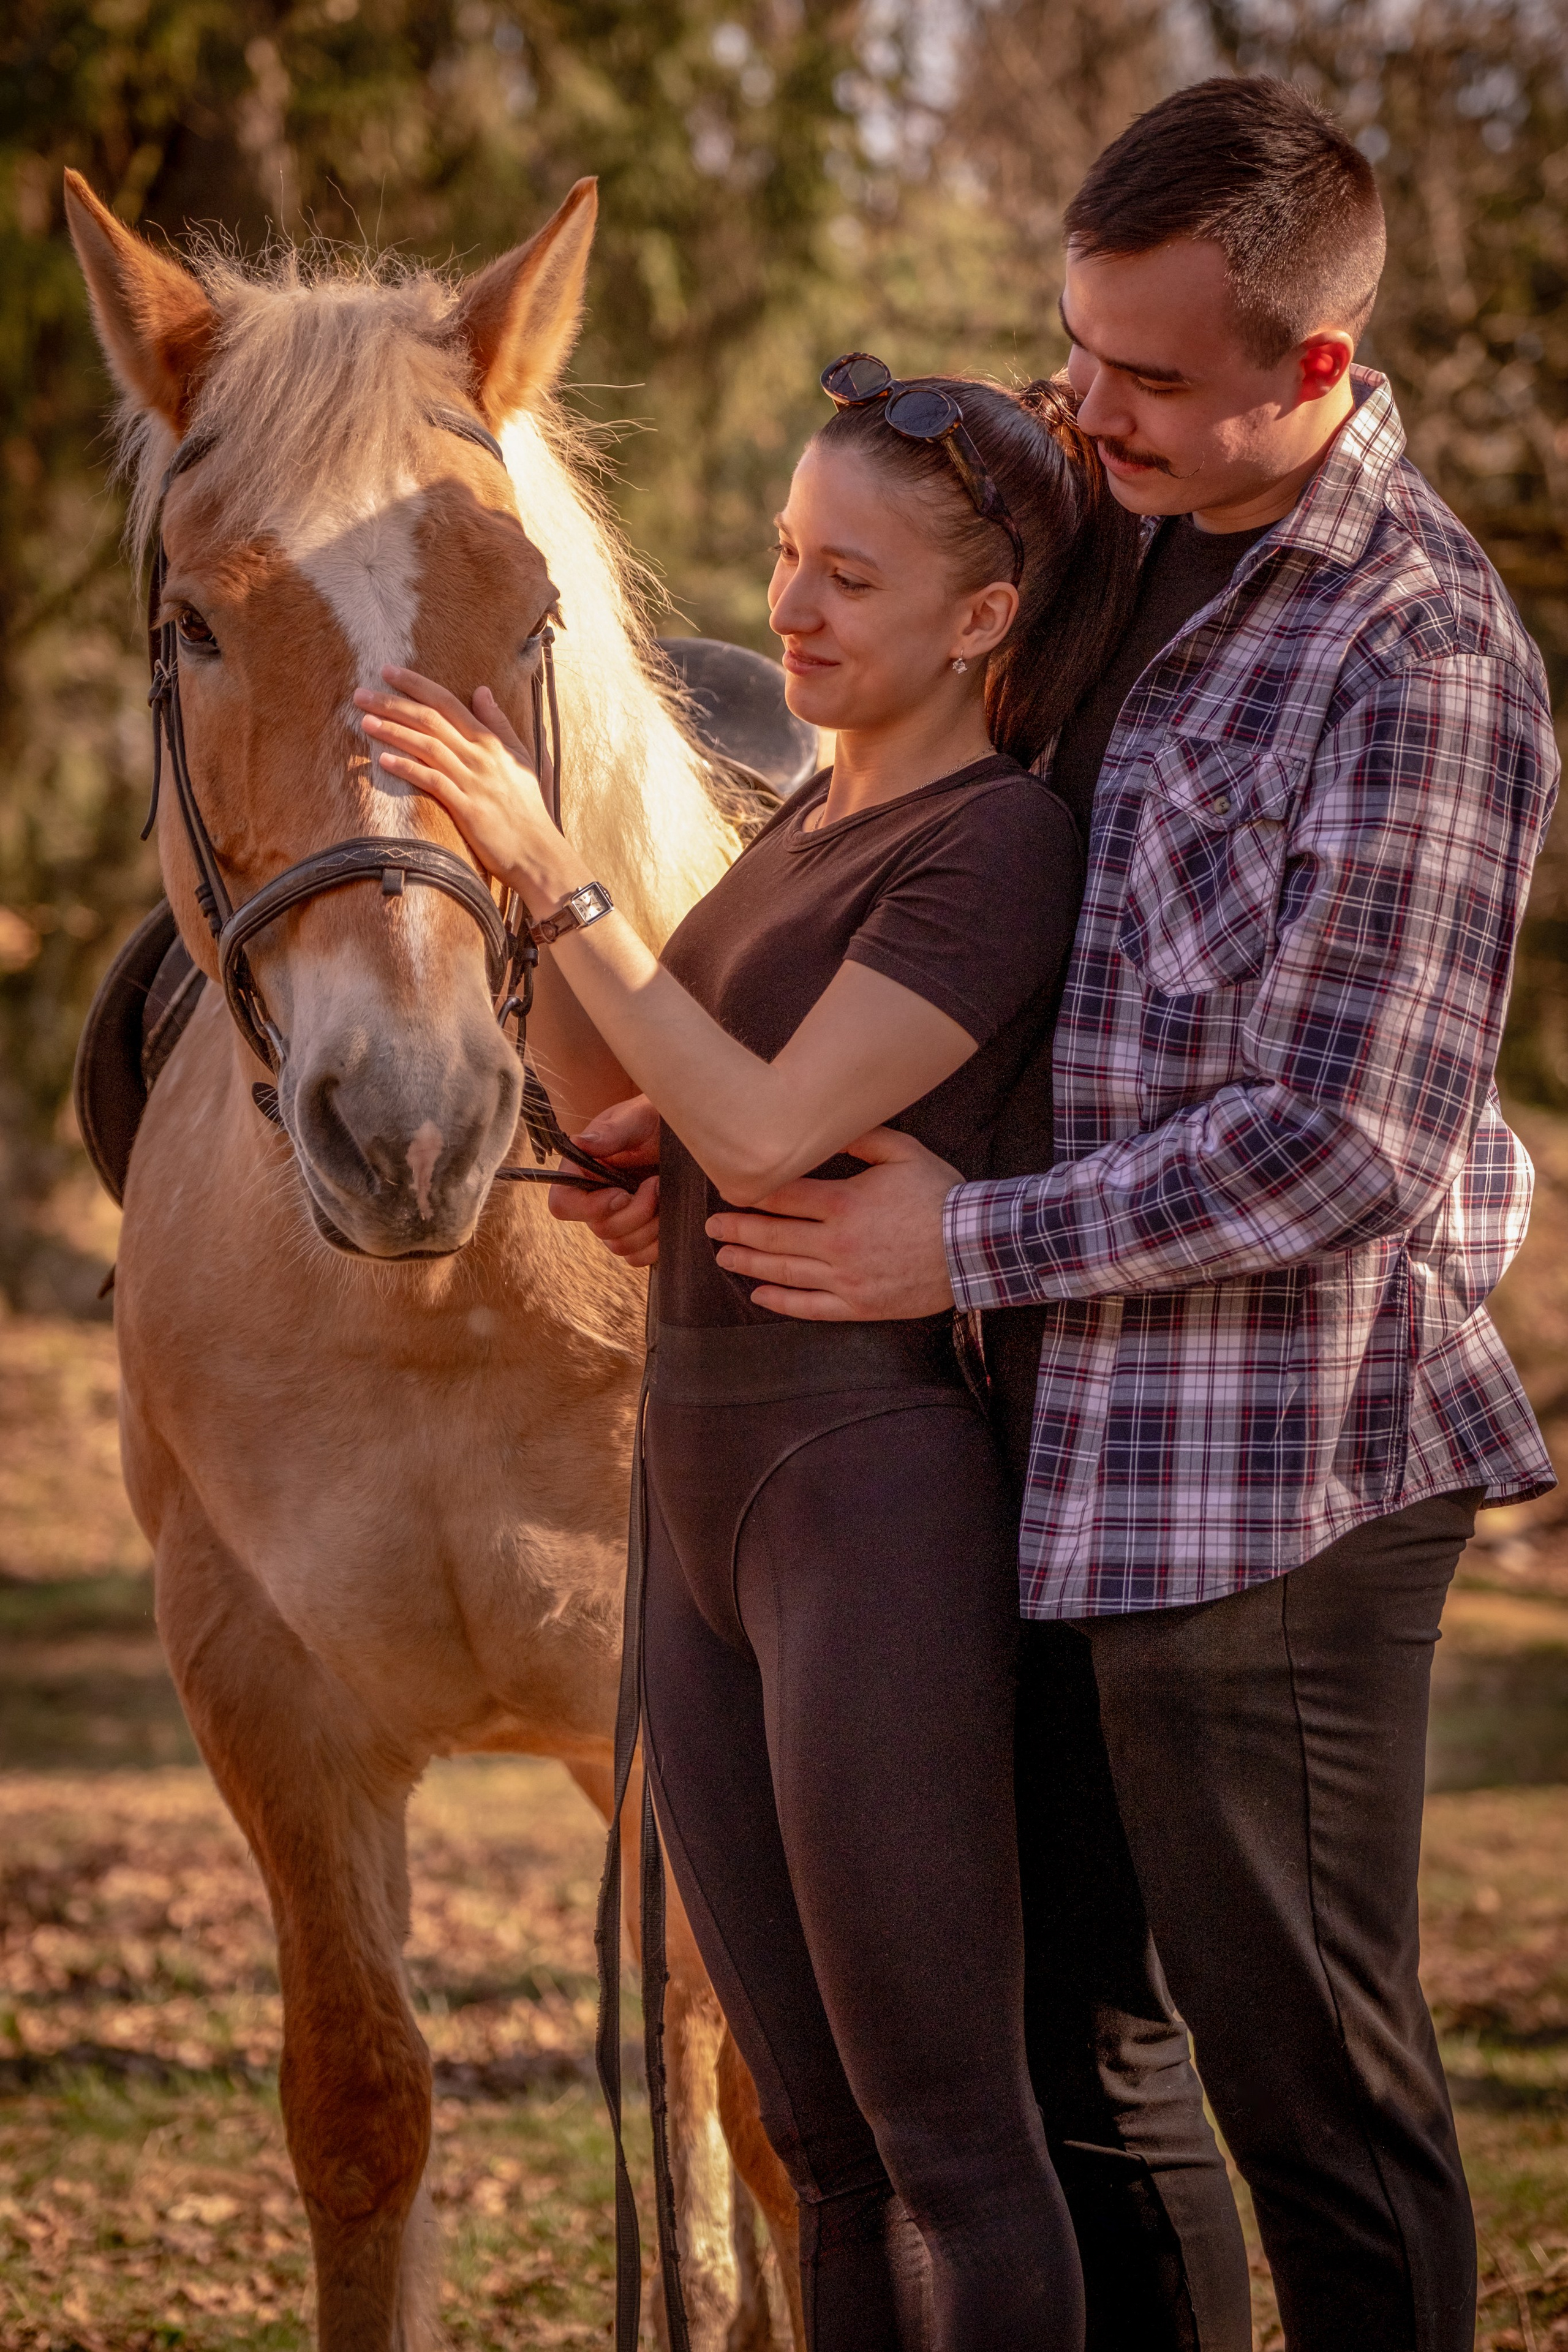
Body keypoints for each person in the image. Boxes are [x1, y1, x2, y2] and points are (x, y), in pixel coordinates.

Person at [578, 76, 1558, 2352]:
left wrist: (963, 1240)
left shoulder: (1416, 657)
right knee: (1075, 2077)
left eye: (1147, 377)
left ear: (1316, 365)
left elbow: (1354, 1141)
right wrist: (737, 1147)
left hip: (1271, 1472)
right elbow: (973, 925)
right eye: (1077, 345)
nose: (1085, 405)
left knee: (1311, 2093)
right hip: (1017, 1450)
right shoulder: (1097, 533)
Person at [352, 363, 1183, 2347]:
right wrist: (509, 876)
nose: (790, 608)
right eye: (789, 554)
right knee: (815, 2142)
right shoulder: (813, 817)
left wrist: (563, 877)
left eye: (850, 579)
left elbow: (765, 1125)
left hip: (867, 1506)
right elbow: (635, 1092)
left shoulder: (995, 843)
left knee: (949, 2141)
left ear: (984, 619)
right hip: (701, 1498)